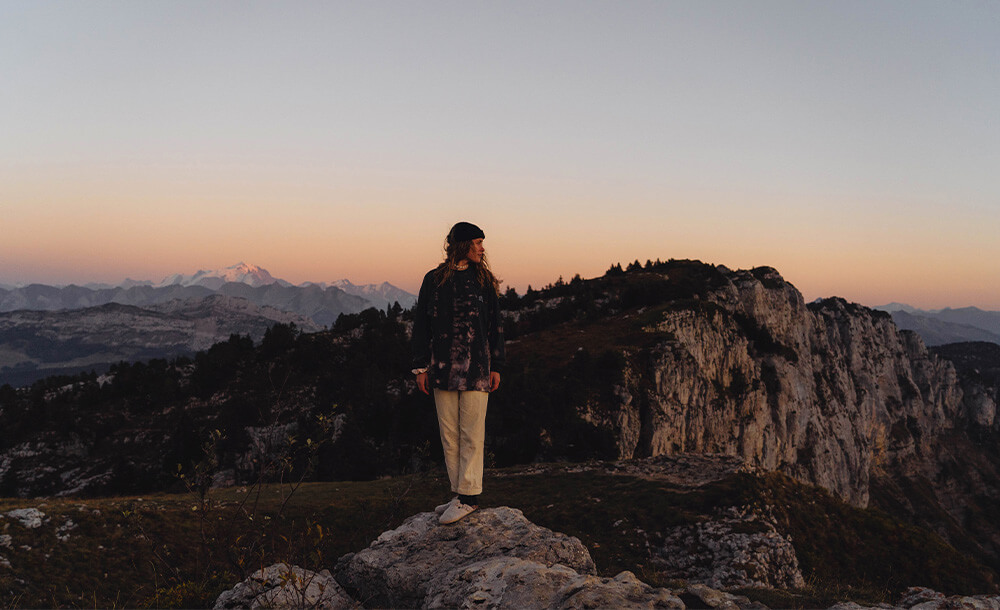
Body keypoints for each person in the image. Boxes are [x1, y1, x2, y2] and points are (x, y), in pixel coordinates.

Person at [411, 221, 505, 524]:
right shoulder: (434, 280)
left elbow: (495, 327)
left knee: (472, 433)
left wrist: (498, 365)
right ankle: (459, 492)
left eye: (481, 243)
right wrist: (420, 367)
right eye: (477, 242)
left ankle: (469, 496)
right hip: (441, 367)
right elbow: (421, 326)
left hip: (477, 368)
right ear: (462, 245)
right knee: (449, 434)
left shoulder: (484, 281)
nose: (482, 248)